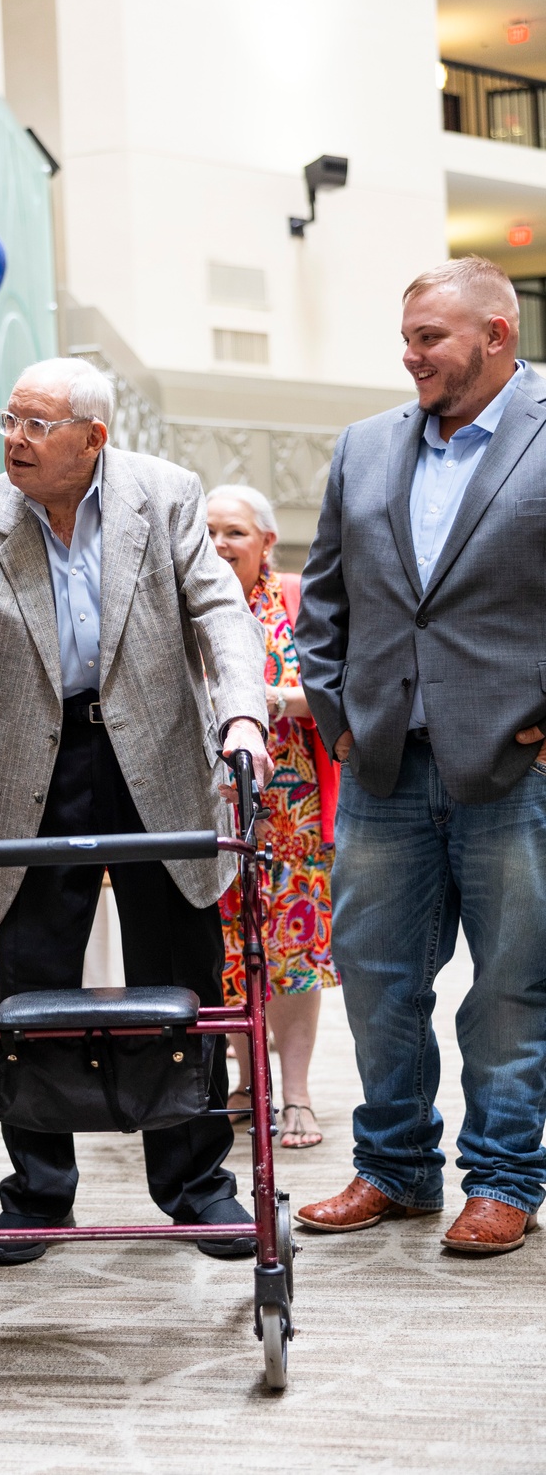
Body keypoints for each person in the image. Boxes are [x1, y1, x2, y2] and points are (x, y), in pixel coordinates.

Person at [0, 356, 271, 1263]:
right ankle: (36, 1194)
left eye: (38, 425)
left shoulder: (166, 495)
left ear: (93, 437)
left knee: (180, 967)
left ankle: (198, 1188)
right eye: (10, 418)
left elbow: (218, 611)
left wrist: (241, 710)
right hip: (38, 762)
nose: (15, 440)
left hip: (156, 755)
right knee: (30, 975)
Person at [295, 256, 546, 1255]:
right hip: (383, 770)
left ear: (496, 336)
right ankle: (394, 1169)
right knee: (377, 980)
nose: (409, 357)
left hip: (512, 771)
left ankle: (504, 1178)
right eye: (406, 338)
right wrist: (340, 723)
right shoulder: (362, 449)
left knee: (511, 988)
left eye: (429, 339)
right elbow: (321, 603)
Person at [206, 484, 341, 1149]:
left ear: (266, 542)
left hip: (294, 811)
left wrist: (271, 700)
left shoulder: (298, 599)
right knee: (227, 952)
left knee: (294, 954)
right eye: (207, 533)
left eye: (233, 532)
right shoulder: (189, 609)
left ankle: (295, 1093)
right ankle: (242, 1080)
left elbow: (340, 687)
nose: (219, 545)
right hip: (213, 811)